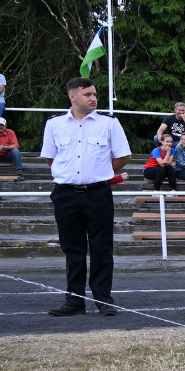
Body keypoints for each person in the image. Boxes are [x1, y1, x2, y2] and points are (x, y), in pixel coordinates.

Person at [40, 77, 131, 317]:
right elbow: (52, 159)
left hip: (98, 193)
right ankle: (74, 301)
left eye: (95, 94)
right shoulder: (55, 124)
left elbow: (123, 156)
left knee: (102, 247)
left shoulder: (109, 123)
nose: (93, 98)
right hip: (66, 194)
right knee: (73, 249)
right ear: (73, 97)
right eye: (88, 94)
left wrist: (101, 171)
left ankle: (104, 299)